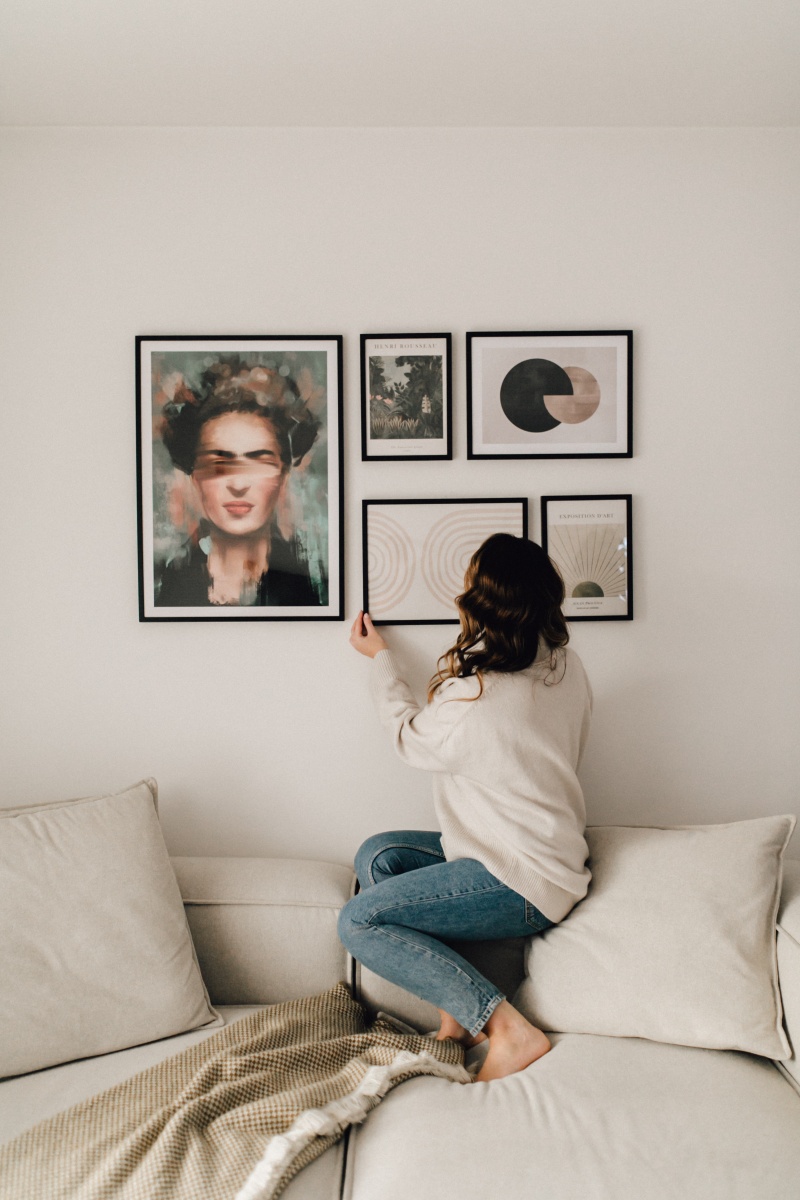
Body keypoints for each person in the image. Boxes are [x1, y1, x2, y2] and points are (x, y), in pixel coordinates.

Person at [339, 533, 592, 1083]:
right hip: (541, 857)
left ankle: (507, 1028)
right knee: (380, 857)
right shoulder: (566, 669)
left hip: (521, 880)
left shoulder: (475, 698)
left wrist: (381, 658)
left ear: (480, 605)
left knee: (358, 920)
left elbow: (407, 736)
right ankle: (455, 1021)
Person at [156, 356, 323, 607]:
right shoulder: (165, 587)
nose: (238, 485)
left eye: (259, 462)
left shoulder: (313, 589)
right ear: (194, 475)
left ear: (283, 473)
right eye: (218, 465)